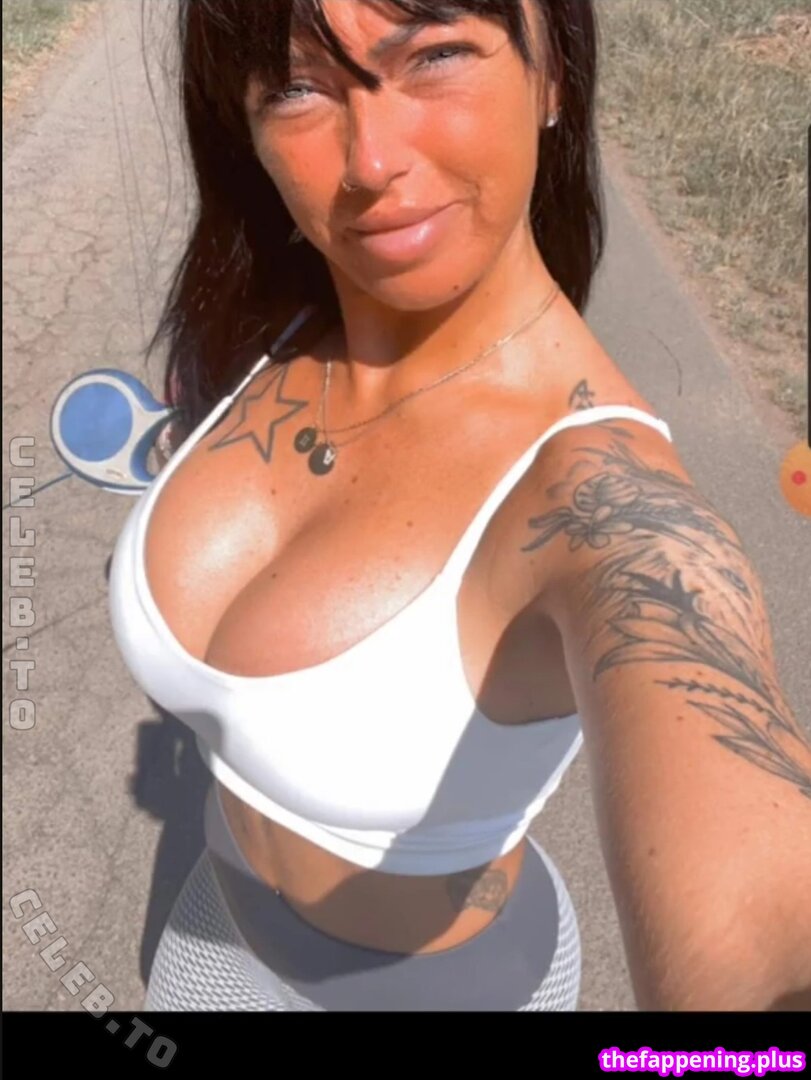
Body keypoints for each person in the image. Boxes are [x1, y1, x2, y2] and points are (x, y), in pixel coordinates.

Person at [108, 0, 811, 1011]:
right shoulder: (275, 324)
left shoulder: (607, 504)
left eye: (435, 54)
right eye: (298, 86)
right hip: (211, 929)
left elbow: (758, 918)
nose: (370, 160)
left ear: (552, 72)